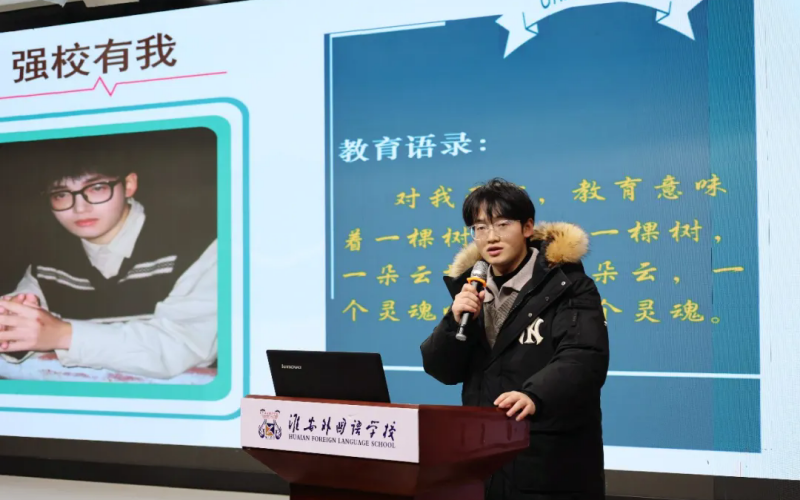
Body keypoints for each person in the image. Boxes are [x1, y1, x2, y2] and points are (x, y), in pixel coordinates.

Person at [420, 178, 610, 500]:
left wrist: (534, 394)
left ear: (527, 227)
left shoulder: (568, 286)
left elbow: (584, 356)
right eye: (480, 228)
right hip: (483, 462)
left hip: (548, 462)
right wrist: (454, 321)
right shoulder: (473, 291)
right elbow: (441, 369)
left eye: (502, 224)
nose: (490, 237)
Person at [0, 157, 218, 380]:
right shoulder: (46, 261)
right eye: (61, 194)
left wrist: (66, 335)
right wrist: (11, 330)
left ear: (129, 185)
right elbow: (23, 336)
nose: (80, 208)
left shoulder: (197, 246)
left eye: (96, 188)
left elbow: (186, 347)